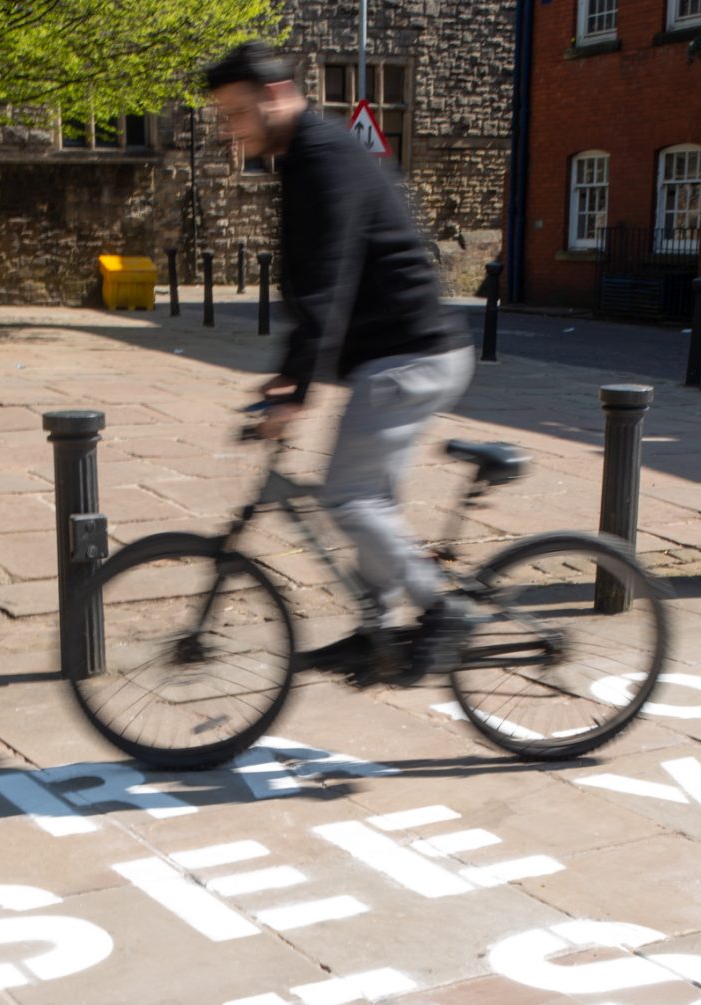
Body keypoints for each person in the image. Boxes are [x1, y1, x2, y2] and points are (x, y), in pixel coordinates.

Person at [204, 41, 476, 678]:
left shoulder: (322, 158)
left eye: (236, 113)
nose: (230, 130)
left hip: (408, 358)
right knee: (369, 500)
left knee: (348, 497)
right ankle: (377, 632)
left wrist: (296, 388)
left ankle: (443, 610)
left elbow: (328, 282)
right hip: (397, 356)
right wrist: (288, 374)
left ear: (274, 97)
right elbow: (318, 289)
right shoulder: (305, 156)